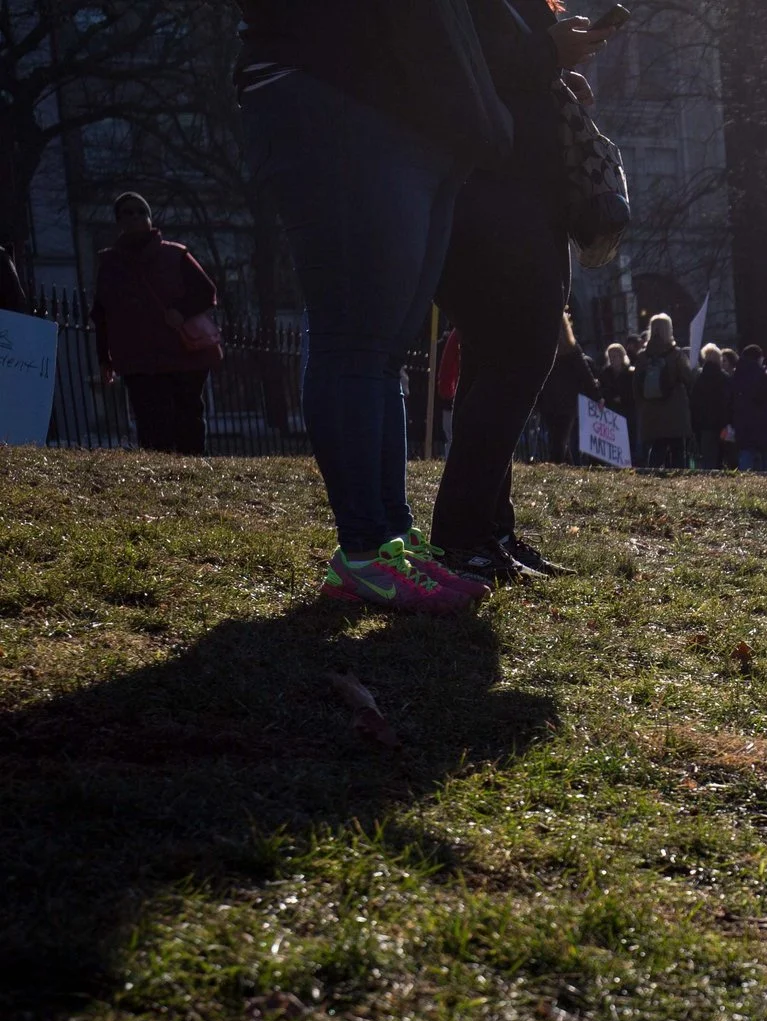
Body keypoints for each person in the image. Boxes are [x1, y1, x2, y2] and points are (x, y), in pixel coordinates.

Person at [233, 0, 572, 611]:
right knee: (355, 340)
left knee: (383, 349)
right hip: (343, 91)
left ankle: (391, 541)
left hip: (419, 115)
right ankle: (366, 550)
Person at [427, 1, 611, 583]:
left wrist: (554, 78)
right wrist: (546, 56)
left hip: (520, 195)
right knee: (519, 356)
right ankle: (463, 532)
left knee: (498, 359)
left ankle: (487, 529)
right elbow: (460, 71)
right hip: (498, 196)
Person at [92, 192, 224, 455]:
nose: (136, 217)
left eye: (141, 211)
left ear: (151, 219)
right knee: (151, 421)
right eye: (128, 213)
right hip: (137, 357)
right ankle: (159, 475)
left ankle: (193, 470)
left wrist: (181, 312)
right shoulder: (110, 263)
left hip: (182, 353)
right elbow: (101, 312)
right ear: (119, 221)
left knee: (187, 415)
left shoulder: (175, 255)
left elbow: (206, 292)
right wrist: (104, 357)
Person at [634, 312, 694, 467]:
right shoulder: (676, 355)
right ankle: (680, 484)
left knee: (657, 449)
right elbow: (689, 379)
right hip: (675, 411)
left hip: (651, 412)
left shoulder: (642, 357)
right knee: (678, 450)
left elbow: (636, 386)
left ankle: (651, 479)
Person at [535, 314, 597, 464]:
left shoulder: (544, 348)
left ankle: (558, 466)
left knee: (556, 438)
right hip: (567, 400)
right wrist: (596, 395)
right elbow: (585, 373)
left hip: (549, 399)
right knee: (560, 438)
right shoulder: (571, 348)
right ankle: (565, 466)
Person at [727, 344, 767, 470]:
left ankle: (744, 485)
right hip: (764, 423)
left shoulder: (736, 376)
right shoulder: (766, 376)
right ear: (759, 358)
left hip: (743, 424)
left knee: (746, 456)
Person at [690, 342, 735, 469]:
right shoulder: (724, 378)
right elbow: (729, 401)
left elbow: (693, 402)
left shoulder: (698, 378)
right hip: (722, 425)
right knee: (721, 456)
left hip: (704, 425)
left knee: (707, 457)